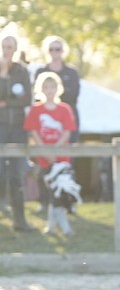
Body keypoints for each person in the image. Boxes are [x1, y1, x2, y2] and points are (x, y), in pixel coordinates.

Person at [24, 72, 78, 236]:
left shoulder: (64, 109)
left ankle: (59, 227)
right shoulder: (36, 109)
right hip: (44, 157)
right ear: (41, 89)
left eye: (52, 87)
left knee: (59, 191)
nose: (49, 90)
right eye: (46, 87)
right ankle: (54, 227)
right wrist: (45, 151)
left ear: (58, 88)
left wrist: (55, 149)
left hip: (61, 157)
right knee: (51, 191)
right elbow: (33, 131)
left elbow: (67, 132)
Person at [33, 36, 82, 214]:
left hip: (67, 127)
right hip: (45, 131)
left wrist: (55, 100)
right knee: (44, 164)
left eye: (58, 49)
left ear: (63, 51)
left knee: (66, 164)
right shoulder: (40, 71)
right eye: (52, 49)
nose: (55, 52)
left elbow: (72, 96)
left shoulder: (72, 73)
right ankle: (45, 202)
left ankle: (69, 201)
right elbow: (38, 96)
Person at [0, 35, 34, 232]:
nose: (6, 50)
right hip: (1, 128)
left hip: (18, 129)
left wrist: (6, 103)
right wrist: (3, 75)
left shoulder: (22, 71)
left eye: (10, 47)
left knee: (15, 174)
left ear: (15, 49)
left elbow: (26, 99)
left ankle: (20, 221)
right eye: (4, 47)